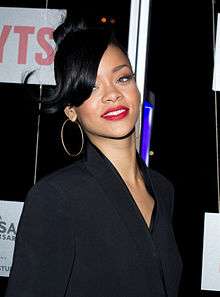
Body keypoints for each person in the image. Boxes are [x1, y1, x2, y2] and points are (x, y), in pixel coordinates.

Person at [5, 13, 182, 297]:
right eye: (90, 87)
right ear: (71, 111)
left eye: (122, 78)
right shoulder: (56, 198)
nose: (112, 95)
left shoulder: (163, 190)